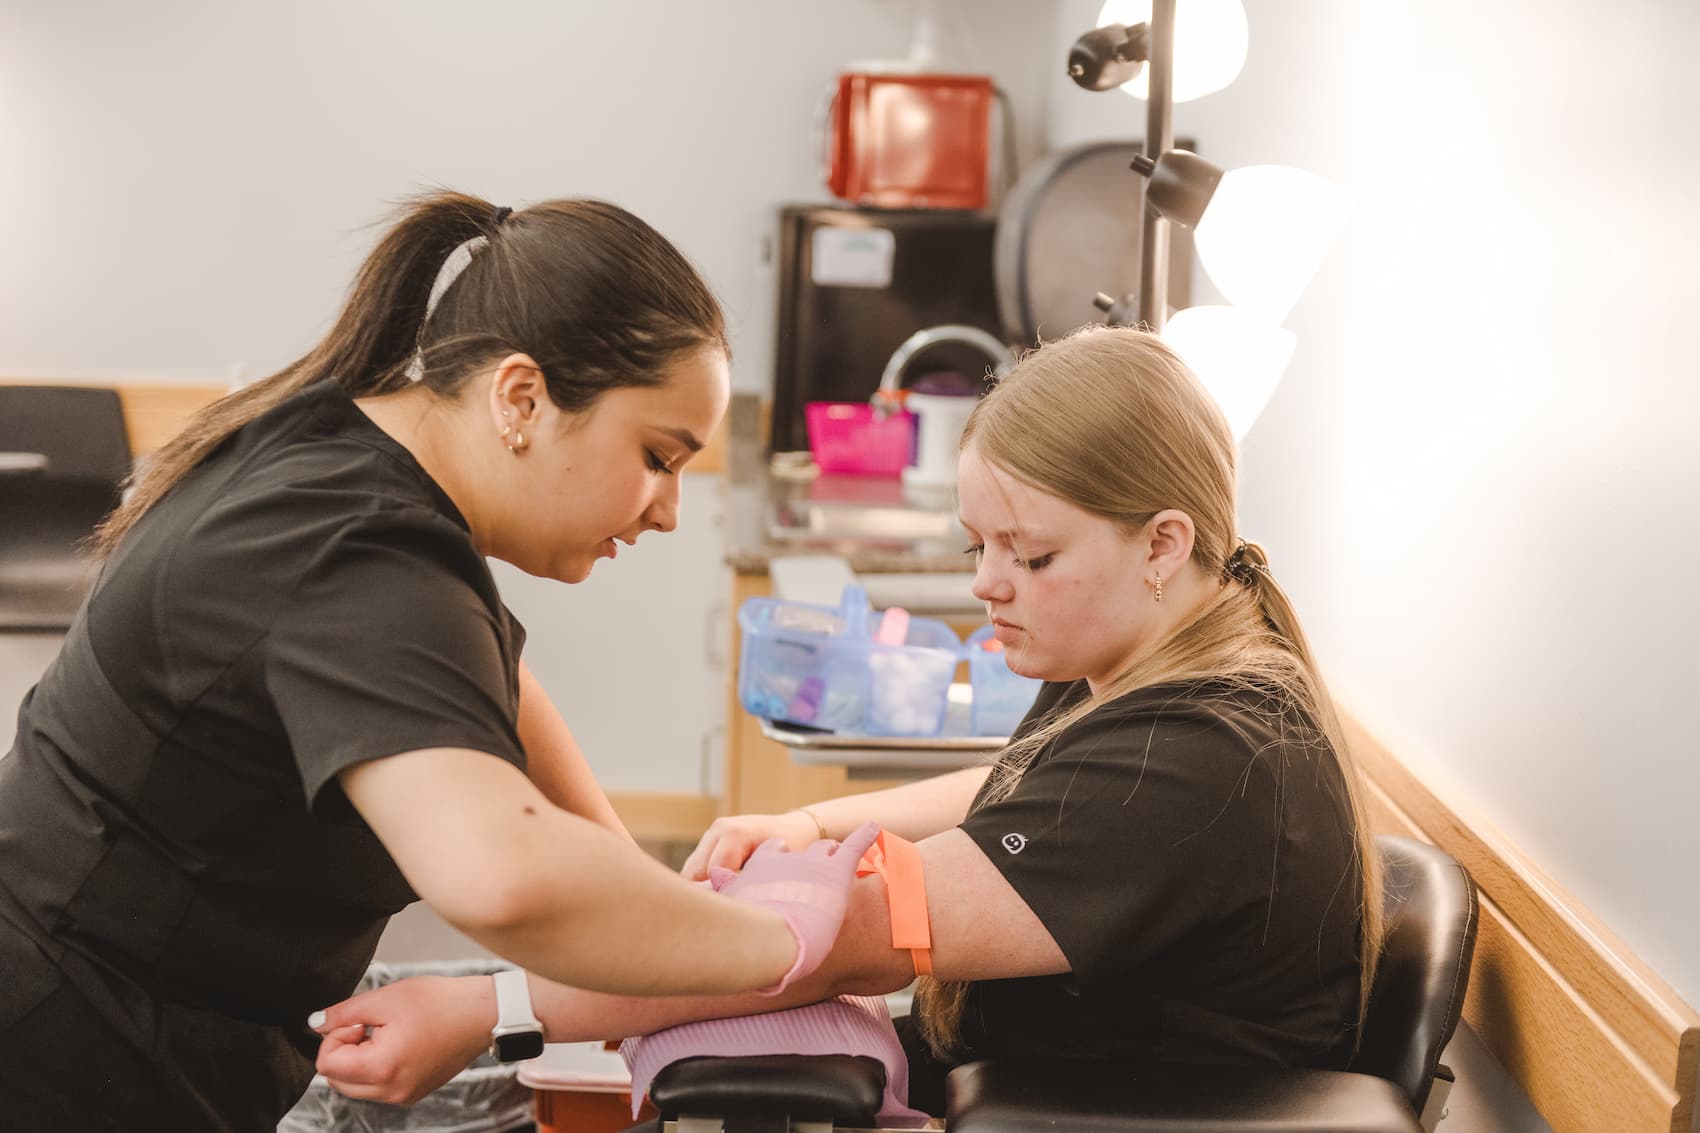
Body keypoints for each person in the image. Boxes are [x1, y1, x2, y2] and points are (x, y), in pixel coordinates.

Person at [307, 325, 1386, 1118]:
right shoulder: (1159, 653)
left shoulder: (1197, 759)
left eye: (1030, 553)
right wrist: (821, 829)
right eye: (978, 546)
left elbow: (816, 945)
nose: (990, 584)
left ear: (1160, 541)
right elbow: (1028, 797)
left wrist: (488, 1009)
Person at [0, 191, 879, 1131]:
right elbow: (503, 875)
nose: (667, 508)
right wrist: (793, 942)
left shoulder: (351, 462)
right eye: (659, 457)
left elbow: (479, 684)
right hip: (69, 1047)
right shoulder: (353, 548)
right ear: (522, 398)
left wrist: (661, 910)